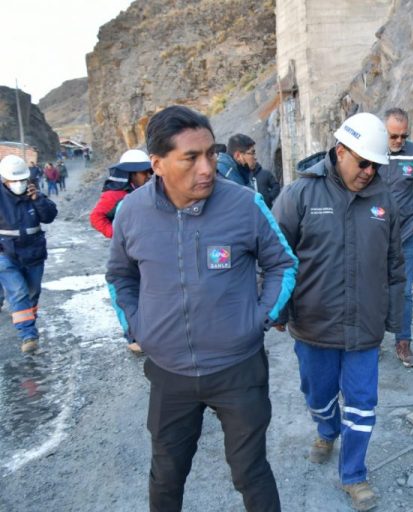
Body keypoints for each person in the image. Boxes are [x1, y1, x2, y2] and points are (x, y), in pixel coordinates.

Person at [106, 105, 296, 512]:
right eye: (190, 158)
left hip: (238, 369)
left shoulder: (245, 204)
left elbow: (282, 263)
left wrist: (260, 318)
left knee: (251, 472)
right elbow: (120, 276)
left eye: (210, 153)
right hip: (169, 374)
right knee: (166, 475)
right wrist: (137, 327)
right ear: (157, 164)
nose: (207, 168)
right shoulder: (130, 213)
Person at [272, 112, 405, 511]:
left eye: (376, 165)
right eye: (363, 163)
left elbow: (395, 264)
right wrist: (277, 310)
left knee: (363, 402)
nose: (369, 172)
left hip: (365, 326)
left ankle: (354, 474)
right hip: (314, 324)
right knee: (318, 394)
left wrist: (395, 321)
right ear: (341, 150)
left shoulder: (384, 201)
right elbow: (276, 258)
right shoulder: (300, 195)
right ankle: (326, 429)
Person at [377, 108, 413, 367]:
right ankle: (373, 341)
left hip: (404, 239)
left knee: (405, 292)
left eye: (404, 136)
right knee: (373, 288)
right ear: (383, 133)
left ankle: (403, 342)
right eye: (393, 136)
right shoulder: (371, 154)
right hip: (374, 239)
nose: (399, 140)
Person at [90, 149, 154, 355]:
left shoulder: (147, 191)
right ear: (131, 174)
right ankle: (132, 335)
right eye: (144, 172)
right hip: (124, 252)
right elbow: (96, 217)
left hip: (143, 249)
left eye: (149, 172)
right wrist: (117, 235)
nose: (149, 176)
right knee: (123, 290)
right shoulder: (114, 195)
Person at [0, 155, 58, 353]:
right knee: (18, 292)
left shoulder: (34, 194)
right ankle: (28, 335)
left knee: (33, 293)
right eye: (13, 180)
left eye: (21, 180)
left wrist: (38, 200)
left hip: (34, 253)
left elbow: (50, 216)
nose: (18, 184)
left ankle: (28, 321)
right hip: (6, 254)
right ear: (4, 179)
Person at [216, 134, 281, 208]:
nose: (254, 157)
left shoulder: (240, 171)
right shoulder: (224, 174)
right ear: (238, 156)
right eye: (252, 153)